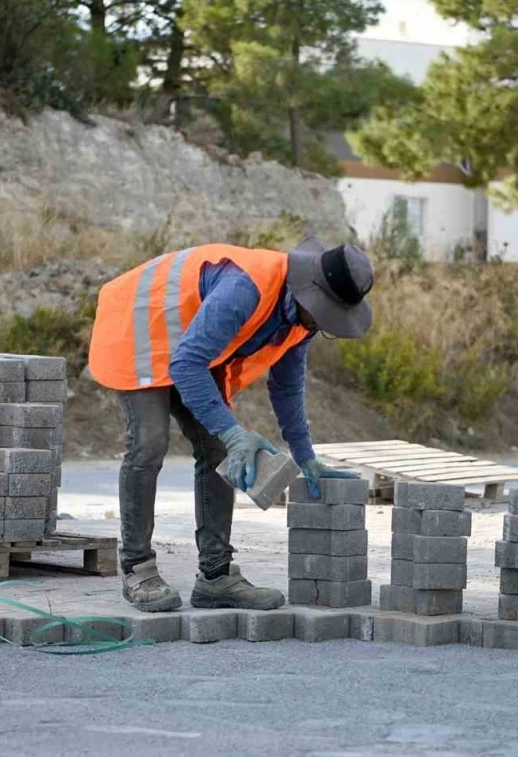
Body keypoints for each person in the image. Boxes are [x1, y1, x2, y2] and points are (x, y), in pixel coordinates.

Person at [88, 238, 374, 612]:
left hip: (193, 345)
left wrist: (307, 458)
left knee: (218, 451)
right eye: (326, 314)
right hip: (139, 327)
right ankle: (137, 568)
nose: (323, 324)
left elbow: (287, 387)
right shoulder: (246, 288)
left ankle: (215, 577)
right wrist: (236, 432)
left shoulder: (302, 322)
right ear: (310, 293)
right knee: (150, 442)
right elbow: (187, 364)